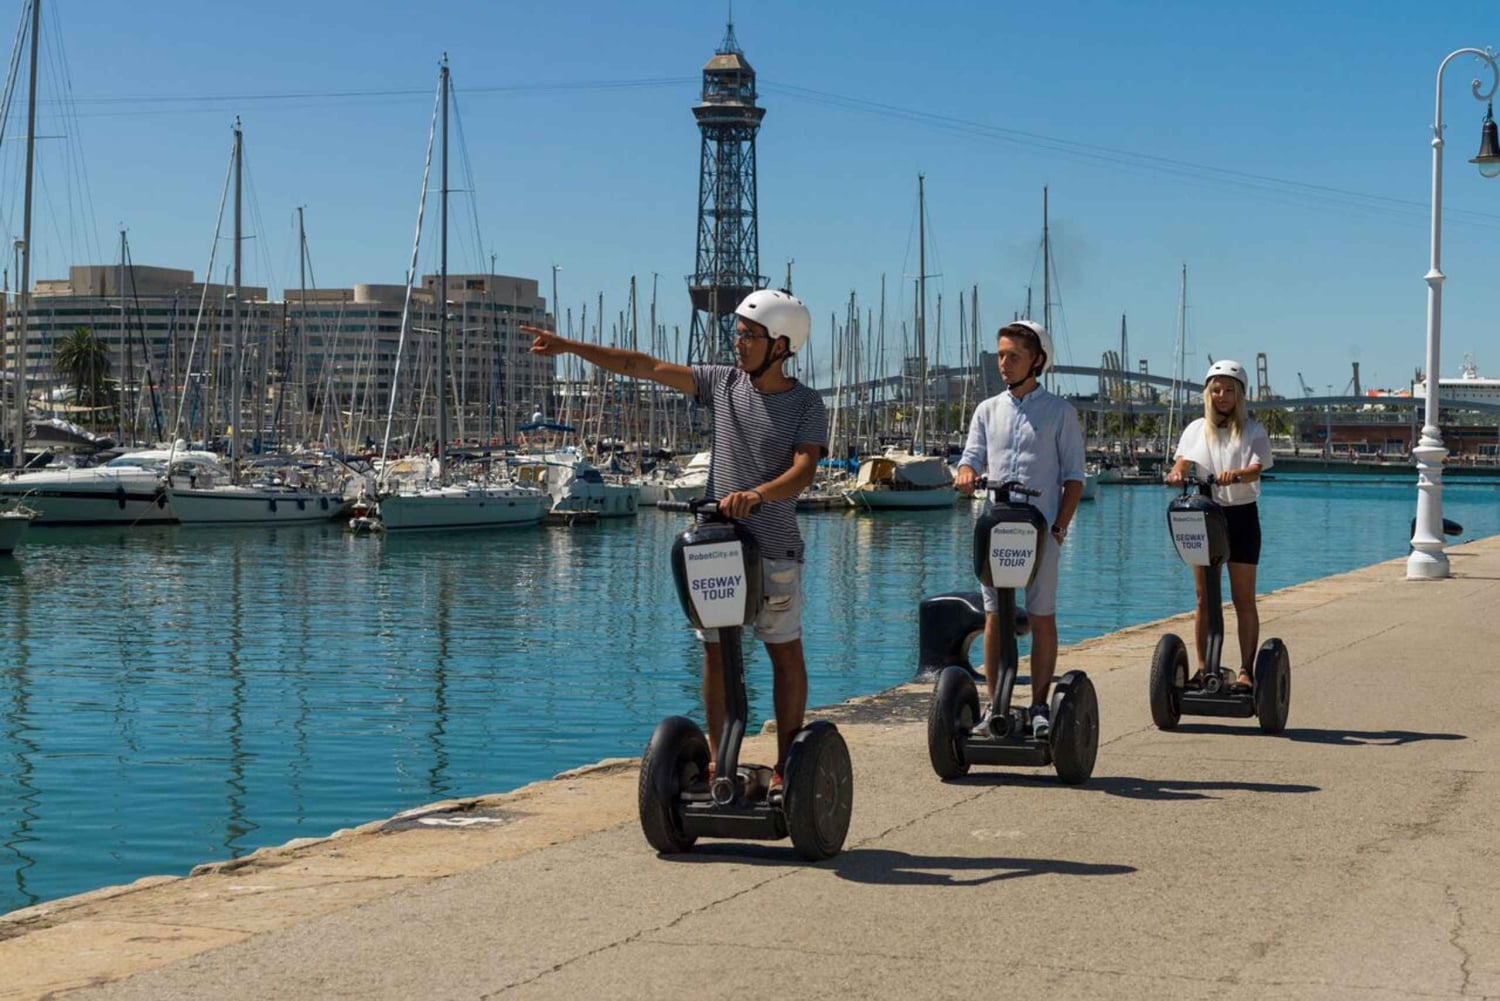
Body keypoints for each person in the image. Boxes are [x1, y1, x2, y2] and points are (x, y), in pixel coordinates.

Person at [525, 290, 827, 792]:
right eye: (738, 333)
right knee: (714, 649)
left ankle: (784, 766)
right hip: (719, 545)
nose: (738, 343)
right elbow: (640, 365)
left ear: (781, 345)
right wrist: (569, 347)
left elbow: (804, 470)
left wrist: (757, 494)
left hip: (773, 546)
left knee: (782, 648)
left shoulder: (804, 403)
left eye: (749, 336)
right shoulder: (723, 383)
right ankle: (717, 759)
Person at [954, 320, 1086, 738]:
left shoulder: (1060, 412)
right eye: (1001, 355)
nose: (1004, 364)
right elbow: (971, 456)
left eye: (1013, 356)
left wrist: (1060, 527)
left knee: (1041, 614)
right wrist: (965, 471)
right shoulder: (987, 410)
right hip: (997, 525)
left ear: (1037, 361)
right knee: (995, 615)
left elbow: (1074, 477)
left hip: (1040, 529)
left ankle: (1041, 704)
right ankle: (996, 705)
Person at [1165, 359, 1274, 690]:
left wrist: (1236, 474)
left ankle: (1245, 671)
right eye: (1216, 390)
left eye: (1229, 390)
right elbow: (1183, 460)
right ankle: (1203, 669)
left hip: (1241, 515)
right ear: (1207, 393)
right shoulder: (1196, 429)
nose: (1222, 396)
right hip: (1204, 515)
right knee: (1204, 598)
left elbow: (1257, 468)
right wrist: (1177, 473)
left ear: (1240, 395)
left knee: (1243, 599)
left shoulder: (1253, 430)